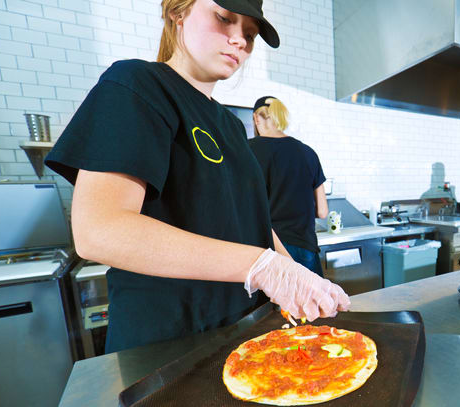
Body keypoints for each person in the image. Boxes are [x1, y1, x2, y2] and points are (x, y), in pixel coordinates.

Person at [44, 0, 349, 354]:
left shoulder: (232, 127)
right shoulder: (137, 85)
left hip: (241, 334)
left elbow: (254, 224)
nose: (240, 41)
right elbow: (99, 231)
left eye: (249, 34)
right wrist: (263, 267)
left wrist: (293, 271)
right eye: (224, 18)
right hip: (168, 345)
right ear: (178, 12)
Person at [248, 96, 328, 276]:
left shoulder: (247, 150)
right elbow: (322, 211)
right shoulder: (308, 153)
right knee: (309, 302)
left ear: (256, 118)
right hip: (305, 247)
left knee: (272, 305)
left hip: (267, 249)